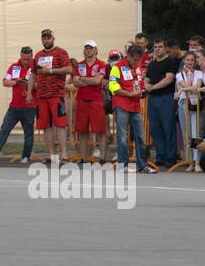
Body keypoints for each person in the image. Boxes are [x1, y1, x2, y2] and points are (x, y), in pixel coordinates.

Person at [0, 46, 36, 162]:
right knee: (4, 129)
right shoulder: (14, 67)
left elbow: (39, 85)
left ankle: (25, 156)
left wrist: (29, 84)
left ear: (32, 57)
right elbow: (5, 82)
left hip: (29, 107)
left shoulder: (35, 69)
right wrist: (16, 82)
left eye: (28, 59)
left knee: (28, 134)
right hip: (14, 106)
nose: (25, 61)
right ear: (20, 56)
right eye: (23, 59)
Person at [26, 28, 71, 161]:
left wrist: (50, 71)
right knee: (46, 126)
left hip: (56, 94)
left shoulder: (61, 52)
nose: (46, 40)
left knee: (60, 124)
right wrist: (29, 92)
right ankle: (52, 155)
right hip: (41, 96)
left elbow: (69, 69)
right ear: (42, 40)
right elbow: (33, 74)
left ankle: (64, 154)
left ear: (53, 39)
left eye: (48, 37)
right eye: (44, 38)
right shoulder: (38, 55)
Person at [109, 45, 155, 173]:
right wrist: (128, 94)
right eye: (134, 60)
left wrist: (144, 90)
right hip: (122, 105)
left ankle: (142, 165)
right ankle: (122, 166)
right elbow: (112, 86)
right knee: (122, 137)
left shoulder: (138, 67)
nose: (137, 63)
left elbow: (139, 85)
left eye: (139, 60)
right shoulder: (117, 67)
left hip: (135, 106)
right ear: (128, 56)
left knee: (140, 136)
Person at [144, 39, 180, 169]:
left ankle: (171, 157)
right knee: (155, 128)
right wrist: (147, 85)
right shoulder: (152, 64)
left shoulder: (170, 61)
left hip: (166, 97)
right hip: (153, 99)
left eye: (160, 47)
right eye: (155, 47)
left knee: (168, 128)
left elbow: (169, 79)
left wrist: (152, 87)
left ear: (165, 48)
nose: (157, 49)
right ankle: (160, 156)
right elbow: (146, 79)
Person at [71, 41, 108, 163]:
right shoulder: (79, 65)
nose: (88, 50)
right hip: (81, 100)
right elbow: (75, 82)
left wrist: (82, 78)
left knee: (100, 130)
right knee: (82, 130)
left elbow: (98, 81)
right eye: (86, 48)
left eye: (91, 48)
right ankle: (83, 158)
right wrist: (90, 81)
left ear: (96, 50)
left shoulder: (101, 64)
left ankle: (102, 157)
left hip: (96, 101)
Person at [175, 51, 204, 163]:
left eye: (192, 60)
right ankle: (189, 160)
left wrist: (182, 89)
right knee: (186, 133)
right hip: (183, 103)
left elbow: (196, 87)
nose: (190, 62)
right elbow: (188, 86)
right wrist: (189, 78)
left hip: (195, 104)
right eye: (187, 60)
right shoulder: (179, 74)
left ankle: (197, 161)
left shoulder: (199, 73)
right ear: (184, 61)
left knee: (195, 132)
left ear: (195, 61)